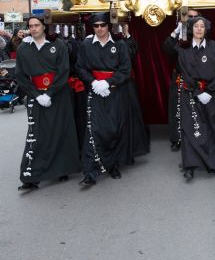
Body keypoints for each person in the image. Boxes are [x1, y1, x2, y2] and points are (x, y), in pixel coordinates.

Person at [15, 16, 81, 190]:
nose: (34, 28)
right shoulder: (23, 48)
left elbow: (63, 71)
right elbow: (20, 76)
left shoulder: (58, 45)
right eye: (31, 26)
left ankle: (62, 169)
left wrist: (50, 93)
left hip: (58, 94)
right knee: (36, 134)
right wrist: (36, 95)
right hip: (35, 96)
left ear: (44, 27)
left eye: (37, 25)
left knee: (60, 131)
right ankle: (32, 176)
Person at [75, 12, 133, 186]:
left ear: (108, 26)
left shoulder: (120, 44)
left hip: (114, 92)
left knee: (113, 129)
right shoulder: (86, 45)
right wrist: (93, 83)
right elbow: (80, 67)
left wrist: (108, 83)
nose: (99, 29)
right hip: (95, 92)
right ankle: (90, 171)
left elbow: (125, 70)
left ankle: (112, 165)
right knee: (93, 129)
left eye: (103, 25)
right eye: (96, 26)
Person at [170, 16, 215, 181]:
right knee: (191, 130)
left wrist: (210, 92)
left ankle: (211, 163)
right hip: (191, 93)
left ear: (206, 29)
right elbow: (185, 73)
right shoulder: (184, 49)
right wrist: (197, 92)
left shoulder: (214, 47)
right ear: (190, 29)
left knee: (212, 129)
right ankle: (189, 166)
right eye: (195, 26)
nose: (199, 29)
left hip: (211, 94)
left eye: (202, 26)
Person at [163, 9, 200, 152]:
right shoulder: (179, 35)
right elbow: (167, 49)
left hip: (198, 79)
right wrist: (175, 32)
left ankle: (196, 138)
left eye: (195, 17)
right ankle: (176, 139)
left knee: (197, 110)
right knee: (176, 110)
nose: (191, 19)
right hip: (180, 78)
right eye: (189, 16)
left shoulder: (201, 33)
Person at [121, 22, 150, 157]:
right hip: (108, 85)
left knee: (131, 114)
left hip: (126, 83)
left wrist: (126, 34)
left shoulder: (126, 42)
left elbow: (132, 52)